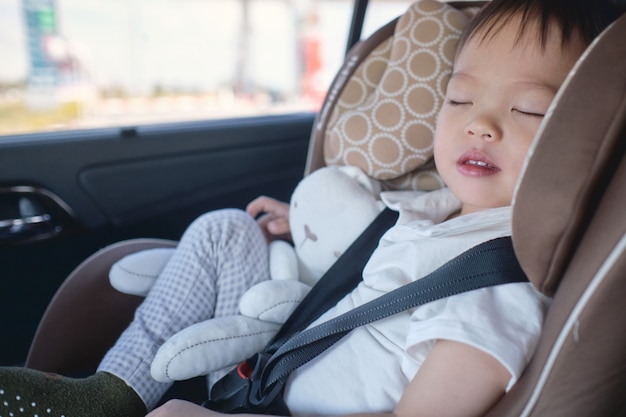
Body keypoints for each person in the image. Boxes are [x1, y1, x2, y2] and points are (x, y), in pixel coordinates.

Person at [0, 1, 619, 417]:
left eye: (529, 110)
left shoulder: (493, 293)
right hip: (283, 347)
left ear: (581, 139)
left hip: (285, 403)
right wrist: (306, 228)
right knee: (224, 230)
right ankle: (114, 391)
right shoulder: (435, 209)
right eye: (458, 99)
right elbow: (374, 264)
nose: (479, 124)